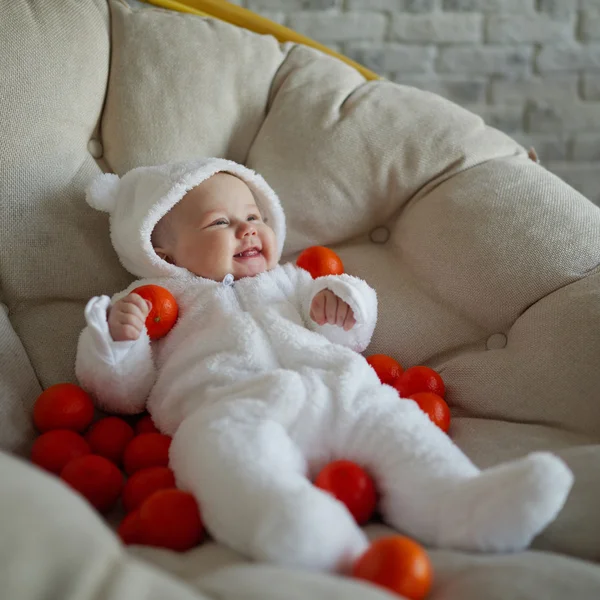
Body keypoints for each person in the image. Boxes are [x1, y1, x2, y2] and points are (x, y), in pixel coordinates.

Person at [76, 158, 573, 572]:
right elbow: (121, 394)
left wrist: (341, 303)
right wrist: (119, 340)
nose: (248, 228)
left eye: (255, 216)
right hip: (233, 407)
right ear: (160, 249)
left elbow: (349, 336)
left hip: (339, 390)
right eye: (220, 223)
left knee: (396, 425)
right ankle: (293, 522)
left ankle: (461, 503)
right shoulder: (152, 302)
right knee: (218, 453)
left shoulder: (291, 281)